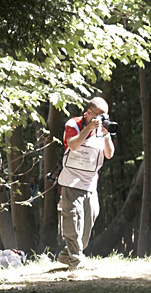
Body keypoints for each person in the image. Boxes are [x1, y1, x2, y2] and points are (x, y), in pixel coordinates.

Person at [56, 96, 115, 270]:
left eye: (106, 116)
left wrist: (106, 135)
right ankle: (76, 261)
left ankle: (67, 254)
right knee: (73, 219)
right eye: (99, 115)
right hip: (72, 181)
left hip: (90, 183)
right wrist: (88, 129)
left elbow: (109, 154)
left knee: (90, 218)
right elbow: (72, 145)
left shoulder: (103, 129)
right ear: (88, 113)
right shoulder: (73, 124)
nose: (103, 119)